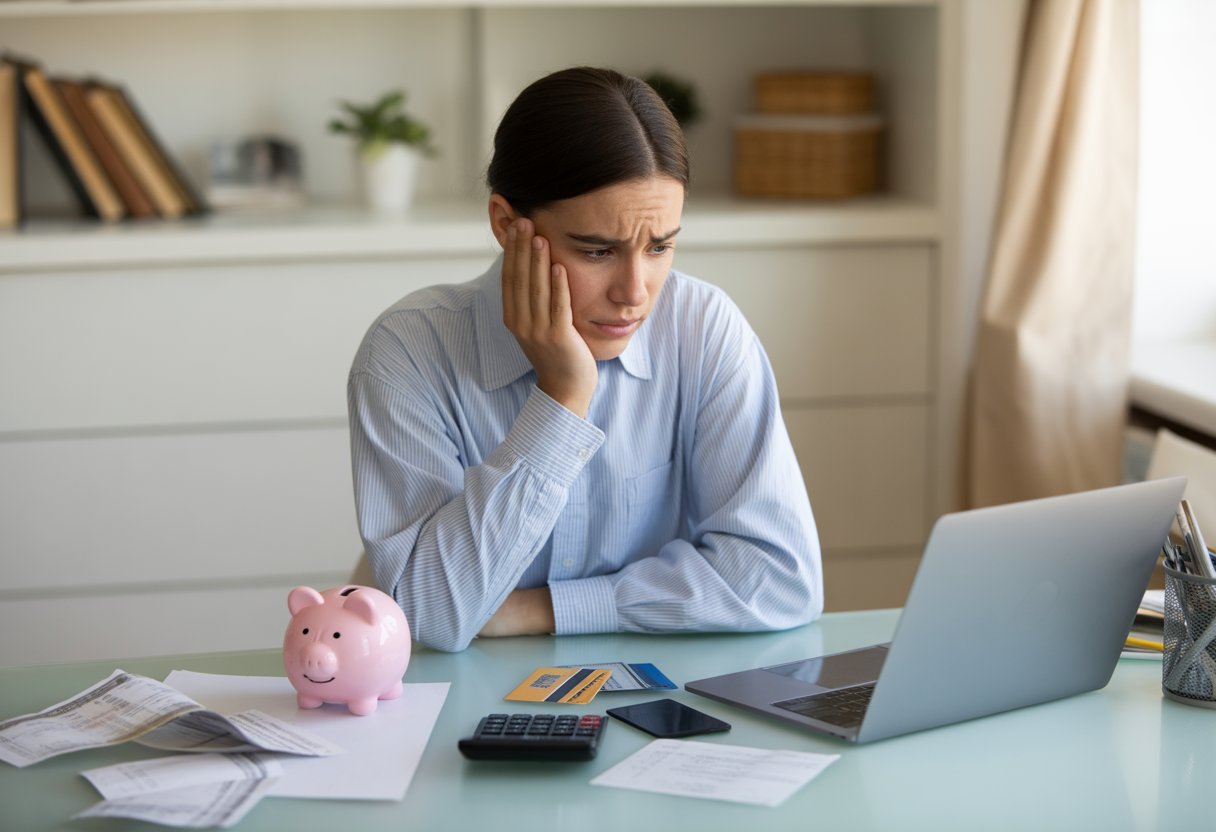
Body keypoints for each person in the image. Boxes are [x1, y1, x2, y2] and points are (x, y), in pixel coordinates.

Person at [348, 67, 822, 652]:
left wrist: (541, 609)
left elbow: (782, 580)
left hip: (653, 694)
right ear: (505, 224)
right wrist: (561, 398)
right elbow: (432, 614)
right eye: (598, 250)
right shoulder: (408, 352)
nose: (635, 291)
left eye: (660, 247)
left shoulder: (703, 329)